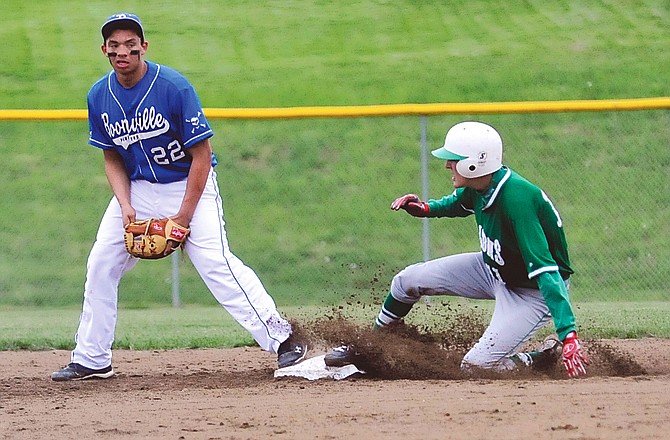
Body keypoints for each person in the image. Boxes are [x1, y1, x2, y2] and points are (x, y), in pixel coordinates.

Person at [51, 13, 306, 381]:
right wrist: (125, 205)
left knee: (215, 263)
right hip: (139, 188)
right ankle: (92, 358)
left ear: (143, 47)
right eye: (115, 44)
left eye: (130, 43)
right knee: (100, 263)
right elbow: (111, 156)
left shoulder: (173, 86)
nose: (122, 50)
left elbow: (202, 156)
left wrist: (183, 218)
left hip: (189, 186)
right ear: (104, 49)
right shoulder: (98, 95)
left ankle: (283, 339)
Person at [325, 121, 588, 378]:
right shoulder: (481, 185)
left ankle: (539, 358)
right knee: (407, 281)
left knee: (476, 367)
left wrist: (569, 334)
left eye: (453, 159)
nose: (447, 165)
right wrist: (425, 209)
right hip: (493, 268)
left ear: (474, 162)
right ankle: (370, 346)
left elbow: (547, 272)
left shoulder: (517, 200)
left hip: (532, 292)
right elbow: (457, 205)